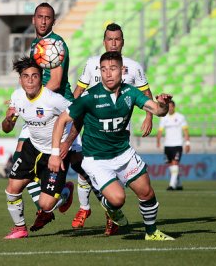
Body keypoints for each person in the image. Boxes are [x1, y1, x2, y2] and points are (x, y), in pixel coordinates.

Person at [48, 51, 175, 241]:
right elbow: (61, 121)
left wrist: (163, 104)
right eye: (104, 69)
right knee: (118, 199)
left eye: (113, 69)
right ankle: (110, 206)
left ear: (122, 70)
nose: (108, 74)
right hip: (96, 159)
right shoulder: (90, 96)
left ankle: (151, 232)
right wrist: (55, 153)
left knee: (147, 192)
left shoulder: (130, 92)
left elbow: (158, 111)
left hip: (123, 153)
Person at [11, 2, 101, 233]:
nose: (43, 21)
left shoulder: (56, 44)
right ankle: (46, 207)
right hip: (39, 111)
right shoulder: (35, 45)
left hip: (58, 110)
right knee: (21, 159)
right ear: (33, 19)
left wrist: (33, 98)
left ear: (53, 21)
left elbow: (56, 82)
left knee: (80, 164)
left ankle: (109, 206)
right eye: (39, 17)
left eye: (47, 17)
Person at [69, 23, 154, 234]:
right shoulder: (92, 64)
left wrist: (149, 116)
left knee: (121, 180)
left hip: (118, 135)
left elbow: (146, 93)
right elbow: (77, 93)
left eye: (117, 39)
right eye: (110, 39)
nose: (113, 43)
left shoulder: (134, 67)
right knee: (88, 169)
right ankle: (88, 207)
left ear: (123, 42)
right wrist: (70, 119)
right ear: (104, 41)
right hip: (91, 131)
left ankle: (110, 212)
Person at [2, 56, 74, 239]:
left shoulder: (53, 100)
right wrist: (8, 120)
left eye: (34, 76)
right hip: (32, 148)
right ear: (20, 80)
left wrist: (66, 143)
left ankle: (65, 190)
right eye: (26, 76)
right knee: (12, 189)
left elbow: (78, 117)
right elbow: (7, 128)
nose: (30, 80)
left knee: (46, 205)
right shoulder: (17, 96)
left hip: (54, 153)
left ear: (41, 78)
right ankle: (20, 228)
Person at [157, 100, 190, 190]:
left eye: (171, 106)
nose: (170, 108)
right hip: (167, 145)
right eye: (168, 107)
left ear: (174, 107)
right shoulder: (164, 117)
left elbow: (185, 131)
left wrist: (187, 143)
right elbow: (160, 130)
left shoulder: (180, 117)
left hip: (177, 144)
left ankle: (172, 185)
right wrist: (158, 141)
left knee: (175, 163)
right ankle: (178, 184)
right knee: (171, 165)